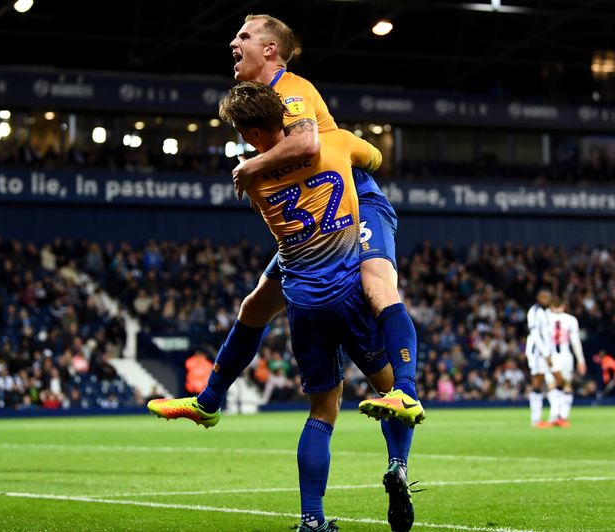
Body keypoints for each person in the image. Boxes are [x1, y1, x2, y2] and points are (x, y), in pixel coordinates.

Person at [149, 12, 421, 433]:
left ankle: (405, 388)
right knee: (255, 305)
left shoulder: (290, 89)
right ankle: (209, 401)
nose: (233, 43)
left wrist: (253, 165)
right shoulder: (263, 101)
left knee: (375, 284)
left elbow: (309, 142)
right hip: (313, 213)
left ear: (270, 50)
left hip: (352, 201)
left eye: (244, 36)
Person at [213, 81, 389, 531]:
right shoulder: (332, 147)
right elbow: (372, 158)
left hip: (302, 298)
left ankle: (312, 519)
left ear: (250, 136)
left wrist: (252, 163)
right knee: (393, 389)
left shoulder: (250, 181)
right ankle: (398, 465)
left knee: (321, 411)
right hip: (347, 289)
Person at [545, 298, 587, 427]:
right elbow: (575, 342)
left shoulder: (545, 317)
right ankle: (563, 416)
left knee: (552, 384)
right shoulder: (571, 319)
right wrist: (581, 360)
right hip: (565, 355)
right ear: (563, 306)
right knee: (566, 384)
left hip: (550, 355)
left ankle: (554, 415)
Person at [526, 289, 554, 427]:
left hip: (544, 352)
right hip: (536, 352)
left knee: (541, 382)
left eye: (547, 296)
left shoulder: (546, 312)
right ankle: (535, 419)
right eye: (542, 296)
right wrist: (546, 353)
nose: (545, 299)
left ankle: (538, 418)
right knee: (537, 382)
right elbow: (535, 334)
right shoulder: (534, 311)